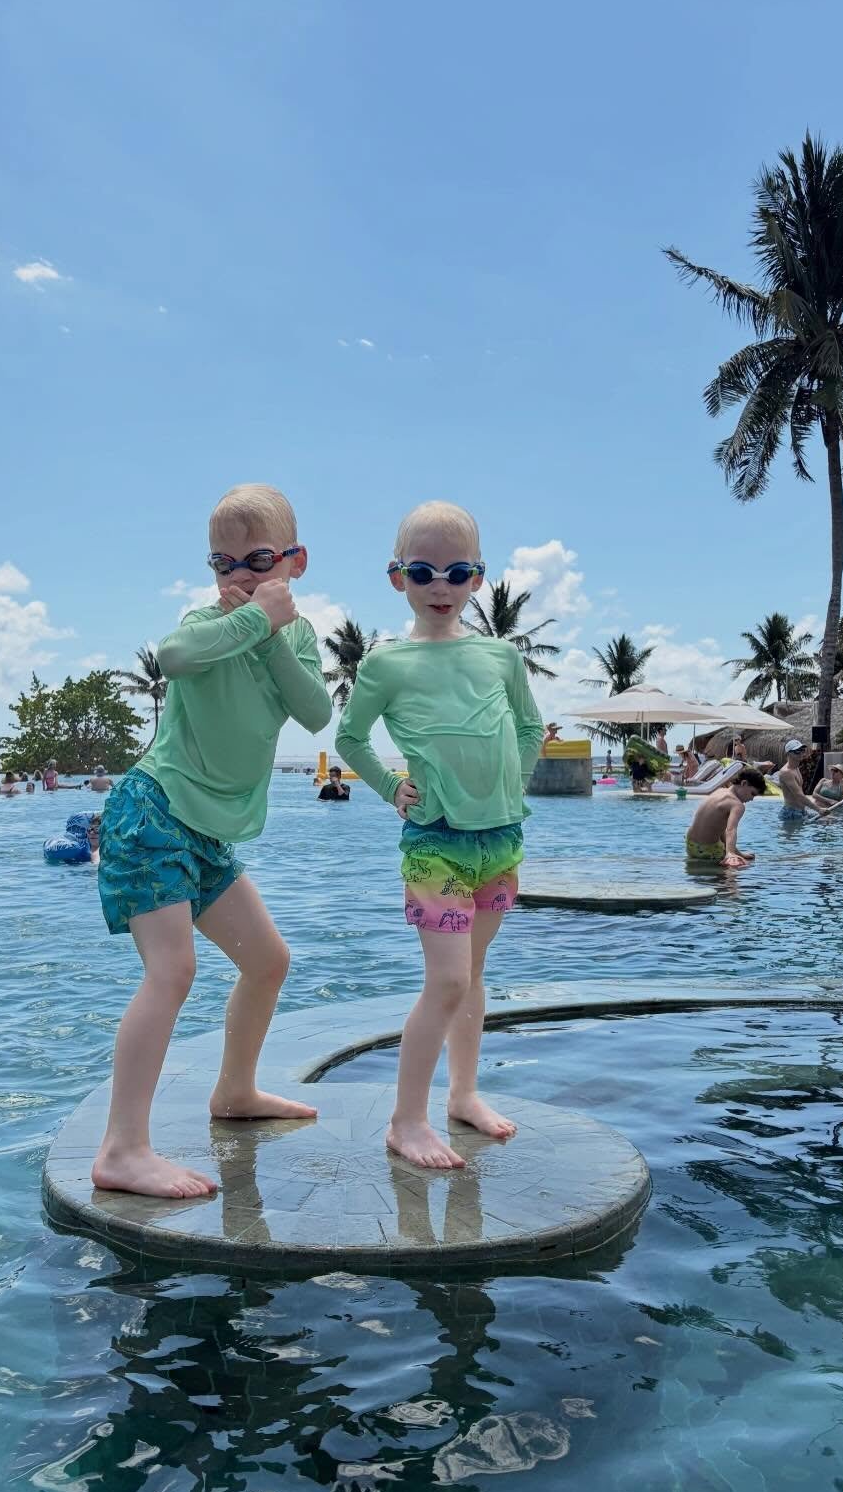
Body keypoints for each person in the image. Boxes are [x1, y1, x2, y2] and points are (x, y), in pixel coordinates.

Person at [94, 482, 331, 1199]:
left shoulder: (298, 636)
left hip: (205, 837)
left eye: (258, 560)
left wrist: (271, 632)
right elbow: (173, 656)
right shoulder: (204, 623)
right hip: (154, 812)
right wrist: (252, 620)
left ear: (295, 562)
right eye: (222, 562)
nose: (239, 576)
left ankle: (235, 1091)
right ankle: (122, 1149)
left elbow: (315, 711)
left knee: (268, 960)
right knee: (172, 971)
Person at [337, 499, 542, 1171]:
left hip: (500, 840)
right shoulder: (388, 664)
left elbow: (530, 728)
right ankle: (405, 1120)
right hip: (437, 842)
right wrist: (390, 787)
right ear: (398, 578)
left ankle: (464, 1094)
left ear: (478, 579)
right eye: (423, 572)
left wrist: (513, 783)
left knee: (473, 977)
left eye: (458, 574)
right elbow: (350, 737)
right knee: (447, 982)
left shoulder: (500, 656)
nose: (441, 588)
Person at [686, 769, 766, 867]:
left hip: (691, 845)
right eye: (752, 793)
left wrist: (736, 852)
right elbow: (731, 829)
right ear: (744, 783)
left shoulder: (719, 791)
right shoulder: (737, 805)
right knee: (738, 869)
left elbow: (717, 828)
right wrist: (730, 854)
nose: (752, 799)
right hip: (709, 850)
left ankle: (733, 852)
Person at [774, 739, 828, 816]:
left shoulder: (796, 767)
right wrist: (818, 809)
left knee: (830, 819)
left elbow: (800, 793)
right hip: (791, 813)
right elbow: (798, 795)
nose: (801, 753)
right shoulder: (786, 772)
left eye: (802, 750)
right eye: (797, 751)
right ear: (788, 753)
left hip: (801, 811)